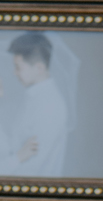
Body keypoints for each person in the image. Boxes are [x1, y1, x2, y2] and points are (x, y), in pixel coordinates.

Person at [10, 31, 69, 175]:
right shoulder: (36, 98)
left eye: (18, 67)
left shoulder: (50, 105)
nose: (15, 73)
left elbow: (36, 164)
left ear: (39, 68)